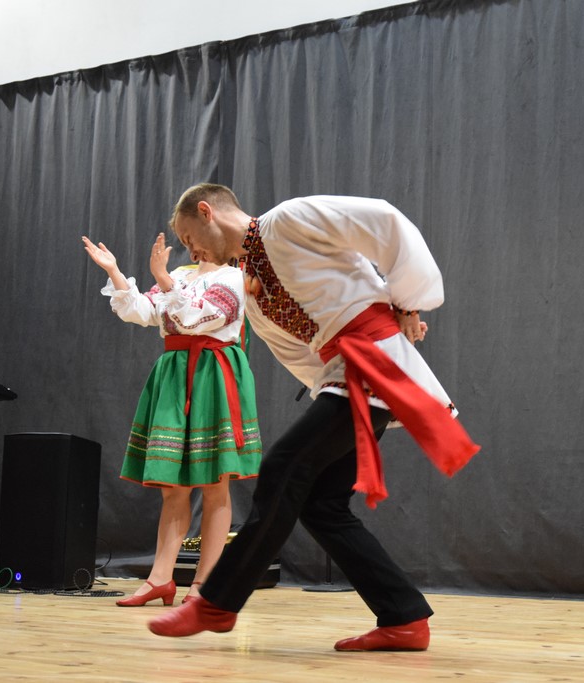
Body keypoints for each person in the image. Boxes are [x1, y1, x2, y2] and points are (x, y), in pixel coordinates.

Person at [146, 186, 480, 650]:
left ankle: (218, 602)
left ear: (207, 212)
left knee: (284, 468)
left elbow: (385, 222)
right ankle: (403, 617)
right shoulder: (252, 289)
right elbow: (301, 353)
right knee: (321, 505)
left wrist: (406, 302)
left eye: (189, 238)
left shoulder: (288, 220)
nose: (192, 251)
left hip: (372, 362)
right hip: (348, 373)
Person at [83, 232, 262, 606]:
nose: (191, 245)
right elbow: (144, 312)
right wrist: (115, 271)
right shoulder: (181, 274)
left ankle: (205, 585)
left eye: (194, 236)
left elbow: (199, 318)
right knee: (173, 487)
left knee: (215, 483)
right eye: (187, 238)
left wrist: (164, 280)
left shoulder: (233, 277)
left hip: (213, 373)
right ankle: (160, 578)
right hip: (175, 374)